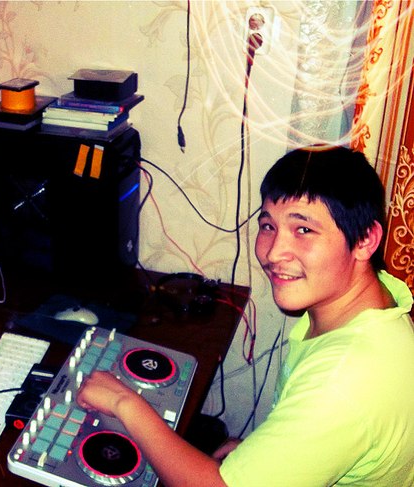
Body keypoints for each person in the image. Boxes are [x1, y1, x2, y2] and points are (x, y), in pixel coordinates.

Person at [77, 145, 414, 486]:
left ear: (366, 240)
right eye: (268, 226)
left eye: (303, 230)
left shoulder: (345, 380)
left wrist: (124, 402)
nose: (274, 253)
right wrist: (268, 458)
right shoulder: (377, 302)